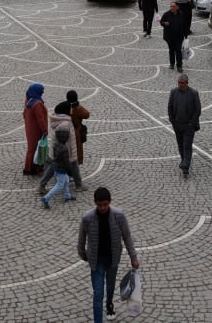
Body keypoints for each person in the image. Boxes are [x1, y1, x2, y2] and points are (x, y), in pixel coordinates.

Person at [78, 187, 140, 323]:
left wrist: (133, 257)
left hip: (112, 259)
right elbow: (82, 236)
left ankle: (109, 304)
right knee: (98, 293)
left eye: (105, 204)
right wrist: (81, 251)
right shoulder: (87, 218)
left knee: (110, 285)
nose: (102, 208)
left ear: (110, 201)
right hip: (96, 261)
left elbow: (127, 236)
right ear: (95, 202)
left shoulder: (119, 216)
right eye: (99, 205)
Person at [168, 73, 201, 177]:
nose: (180, 85)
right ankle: (184, 161)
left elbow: (198, 109)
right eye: (179, 83)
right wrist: (172, 120)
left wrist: (191, 123)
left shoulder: (193, 93)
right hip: (177, 124)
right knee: (180, 144)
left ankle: (186, 165)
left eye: (182, 83)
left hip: (188, 126)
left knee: (187, 145)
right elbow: (170, 107)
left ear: (187, 83)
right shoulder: (173, 92)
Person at [42, 124, 77, 208]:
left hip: (56, 167)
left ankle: (67, 196)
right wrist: (70, 170)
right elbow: (66, 162)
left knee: (66, 181)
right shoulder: (64, 149)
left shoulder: (55, 145)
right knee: (60, 184)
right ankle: (46, 198)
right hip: (62, 169)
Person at [22, 82, 49, 176]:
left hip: (29, 128)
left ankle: (30, 167)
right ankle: (30, 168)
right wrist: (44, 130)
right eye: (41, 91)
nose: (42, 93)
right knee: (34, 148)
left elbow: (24, 114)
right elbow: (40, 119)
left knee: (31, 147)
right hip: (36, 130)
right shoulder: (37, 104)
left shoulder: (28, 100)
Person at [161, 2, 185, 72]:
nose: (172, 8)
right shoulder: (166, 14)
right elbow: (161, 22)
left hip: (179, 36)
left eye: (173, 6)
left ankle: (179, 66)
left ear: (177, 7)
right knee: (171, 50)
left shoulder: (181, 14)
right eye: (171, 6)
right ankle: (172, 63)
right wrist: (164, 23)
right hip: (169, 36)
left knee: (178, 50)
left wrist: (185, 34)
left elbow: (184, 24)